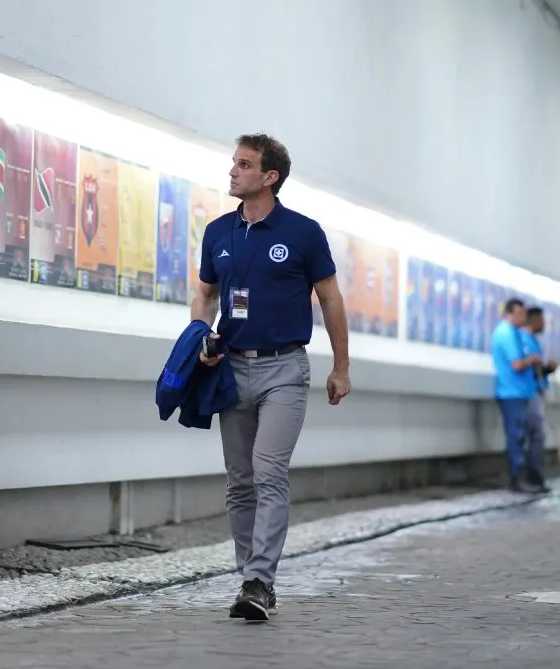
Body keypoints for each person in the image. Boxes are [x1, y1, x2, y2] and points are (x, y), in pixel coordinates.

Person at [191, 133, 352, 621]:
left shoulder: (303, 232)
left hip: (284, 366)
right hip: (231, 367)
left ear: (270, 176)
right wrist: (197, 338)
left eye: (244, 164)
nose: (233, 171)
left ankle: (261, 579)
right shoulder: (218, 231)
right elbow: (206, 294)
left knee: (268, 469)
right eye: (233, 163)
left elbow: (331, 299)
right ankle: (250, 579)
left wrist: (341, 367)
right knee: (240, 480)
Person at [489, 298, 543, 493]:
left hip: (520, 392)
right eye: (520, 314)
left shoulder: (515, 333)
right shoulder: (506, 333)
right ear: (509, 313)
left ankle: (522, 477)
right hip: (511, 393)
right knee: (516, 436)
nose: (523, 318)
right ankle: (517, 478)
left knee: (520, 436)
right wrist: (533, 360)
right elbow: (517, 364)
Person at [519, 306, 558, 492]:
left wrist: (547, 369)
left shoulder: (534, 341)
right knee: (536, 434)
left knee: (537, 435)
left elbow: (538, 370)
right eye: (542, 320)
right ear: (533, 320)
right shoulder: (524, 340)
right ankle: (532, 475)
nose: (544, 324)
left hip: (536, 391)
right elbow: (527, 368)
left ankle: (534, 474)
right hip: (528, 393)